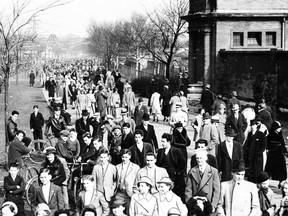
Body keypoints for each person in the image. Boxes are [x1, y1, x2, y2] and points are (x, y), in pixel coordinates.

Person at [156, 133, 186, 200]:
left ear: (169, 142)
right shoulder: (160, 152)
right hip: (163, 178)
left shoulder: (176, 151)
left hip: (174, 178)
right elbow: (158, 164)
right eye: (161, 141)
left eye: (163, 142)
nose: (162, 143)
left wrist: (177, 172)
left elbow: (183, 163)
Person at [114, 149, 140, 213]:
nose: (124, 159)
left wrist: (135, 191)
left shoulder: (135, 167)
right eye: (123, 157)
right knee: (118, 211)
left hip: (130, 192)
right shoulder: (117, 167)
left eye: (126, 157)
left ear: (130, 157)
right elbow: (115, 180)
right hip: (120, 192)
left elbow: (138, 180)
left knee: (129, 210)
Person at [265, 121, 288, 187]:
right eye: (278, 128)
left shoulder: (280, 134)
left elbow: (283, 144)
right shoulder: (270, 135)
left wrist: (285, 152)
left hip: (280, 155)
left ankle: (281, 180)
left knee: (281, 169)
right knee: (273, 169)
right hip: (273, 155)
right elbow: (268, 145)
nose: (279, 129)